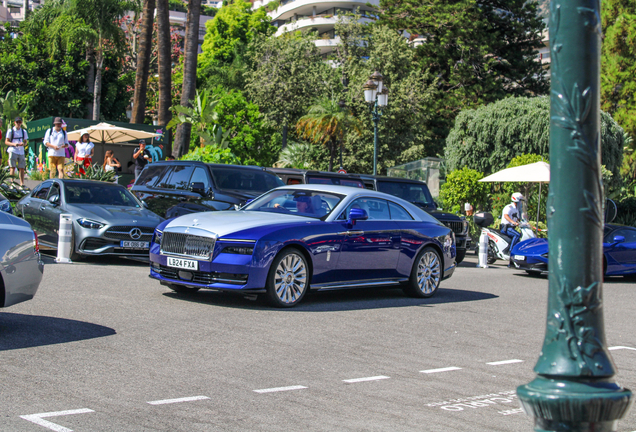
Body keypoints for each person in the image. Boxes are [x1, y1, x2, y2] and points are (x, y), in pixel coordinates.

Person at [5, 116, 28, 186]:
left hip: (21, 151)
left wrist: (23, 144)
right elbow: (6, 142)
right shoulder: (11, 131)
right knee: (12, 167)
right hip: (13, 150)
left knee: (22, 168)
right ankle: (12, 183)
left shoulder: (24, 131)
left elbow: (25, 142)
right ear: (14, 123)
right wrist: (15, 144)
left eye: (20, 122)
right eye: (17, 122)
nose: (18, 123)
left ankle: (21, 184)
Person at [500, 192, 524, 259]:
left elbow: (518, 218)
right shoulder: (509, 207)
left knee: (520, 235)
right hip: (506, 227)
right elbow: (506, 216)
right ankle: (510, 251)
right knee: (517, 235)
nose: (521, 203)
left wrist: (523, 222)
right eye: (520, 201)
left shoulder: (516, 209)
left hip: (511, 228)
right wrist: (513, 222)